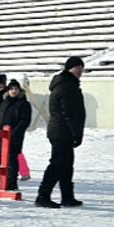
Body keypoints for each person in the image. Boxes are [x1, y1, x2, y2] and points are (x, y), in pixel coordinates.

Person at [36, 57, 86, 208]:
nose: (80, 72)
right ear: (70, 68)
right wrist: (76, 132)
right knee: (58, 164)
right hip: (62, 131)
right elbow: (70, 113)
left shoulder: (66, 84)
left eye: (82, 69)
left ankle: (67, 196)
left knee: (66, 164)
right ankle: (43, 196)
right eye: (78, 68)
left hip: (60, 131)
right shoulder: (67, 86)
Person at [0, 79, 33, 191]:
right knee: (2, 159)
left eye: (16, 89)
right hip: (1, 135)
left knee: (12, 158)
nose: (14, 91)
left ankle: (12, 182)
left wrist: (14, 132)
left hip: (14, 135)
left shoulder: (24, 104)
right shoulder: (4, 103)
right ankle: (3, 181)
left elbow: (25, 121)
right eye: (11, 89)